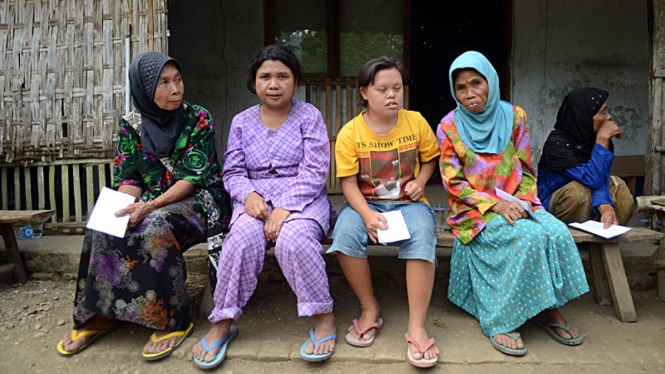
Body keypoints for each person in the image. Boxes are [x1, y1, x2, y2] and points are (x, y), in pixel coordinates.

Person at [56, 52, 232, 360]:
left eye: (178, 80)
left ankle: (171, 320)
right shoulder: (131, 125)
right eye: (164, 83)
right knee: (103, 222)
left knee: (154, 224)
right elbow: (130, 178)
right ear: (144, 89)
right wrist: (124, 209)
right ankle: (100, 315)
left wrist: (149, 207)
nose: (176, 89)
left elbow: (192, 179)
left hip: (200, 202)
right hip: (151, 201)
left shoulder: (198, 118)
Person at [192, 45, 337, 368]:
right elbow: (231, 171)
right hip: (254, 202)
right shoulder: (242, 122)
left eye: (283, 76)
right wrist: (249, 196)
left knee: (294, 240)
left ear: (296, 82)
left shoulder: (309, 116)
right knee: (240, 240)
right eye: (265, 77)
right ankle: (223, 322)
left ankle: (323, 316)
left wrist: (285, 207)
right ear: (254, 83)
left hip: (304, 200)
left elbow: (316, 170)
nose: (274, 84)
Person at [437, 51, 589, 356]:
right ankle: (501, 318)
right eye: (461, 88)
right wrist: (495, 206)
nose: (470, 94)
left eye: (476, 83)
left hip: (518, 202)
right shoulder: (449, 126)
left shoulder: (515, 116)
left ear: (491, 81)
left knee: (557, 233)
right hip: (473, 212)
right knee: (529, 238)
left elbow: (527, 169)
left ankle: (548, 308)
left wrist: (521, 202)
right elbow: (453, 182)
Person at [328, 56, 440, 368]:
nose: (392, 95)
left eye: (397, 88)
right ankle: (369, 309)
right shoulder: (351, 133)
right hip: (366, 204)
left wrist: (420, 180)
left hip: (409, 204)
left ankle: (417, 325)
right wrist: (365, 215)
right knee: (345, 232)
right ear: (364, 92)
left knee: (421, 234)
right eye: (382, 89)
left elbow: (431, 158)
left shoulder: (415, 121)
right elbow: (348, 184)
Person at [537, 88, 634, 228]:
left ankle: (604, 228)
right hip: (552, 208)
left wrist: (605, 207)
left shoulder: (598, 141)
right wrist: (602, 139)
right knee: (577, 192)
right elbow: (591, 179)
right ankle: (568, 236)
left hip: (588, 197)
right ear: (583, 115)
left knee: (619, 187)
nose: (609, 117)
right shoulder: (557, 143)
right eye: (603, 112)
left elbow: (601, 178)